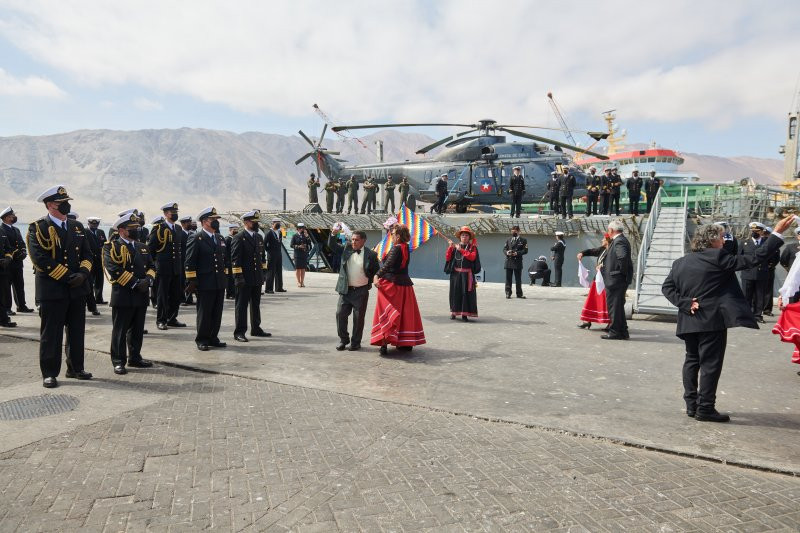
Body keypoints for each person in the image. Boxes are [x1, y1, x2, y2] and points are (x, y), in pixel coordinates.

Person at [662, 217, 791, 422]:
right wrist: (776, 234)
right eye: (722, 238)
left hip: (688, 320)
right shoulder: (718, 257)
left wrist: (685, 303)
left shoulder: (680, 262)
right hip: (711, 321)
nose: (724, 242)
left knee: (691, 361)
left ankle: (691, 405)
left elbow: (667, 288)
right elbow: (754, 258)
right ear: (712, 241)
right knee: (711, 364)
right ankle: (705, 408)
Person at [28, 185, 94, 388]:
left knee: (76, 331)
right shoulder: (37, 228)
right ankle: (49, 372)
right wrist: (68, 276)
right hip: (53, 289)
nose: (66, 206)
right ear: (50, 205)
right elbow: (40, 259)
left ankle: (75, 368)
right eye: (61, 203)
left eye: (67, 202)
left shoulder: (77, 227)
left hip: (77, 288)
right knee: (52, 334)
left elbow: (88, 254)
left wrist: (82, 274)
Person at [103, 212, 156, 375]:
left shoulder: (143, 247)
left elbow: (152, 267)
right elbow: (113, 269)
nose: (136, 230)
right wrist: (135, 283)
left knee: (137, 329)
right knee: (120, 330)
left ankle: (135, 357)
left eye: (137, 227)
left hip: (141, 295)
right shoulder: (111, 247)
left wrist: (148, 281)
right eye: (132, 228)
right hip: (124, 294)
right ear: (121, 230)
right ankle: (118, 361)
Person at [370, 224, 426, 355]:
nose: (391, 236)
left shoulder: (396, 248)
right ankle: (404, 342)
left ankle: (383, 343)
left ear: (398, 236)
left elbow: (388, 265)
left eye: (393, 234)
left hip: (391, 285)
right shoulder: (405, 247)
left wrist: (376, 275)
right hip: (405, 285)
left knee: (386, 312)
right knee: (404, 313)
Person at [185, 207, 227, 351]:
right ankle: (202, 339)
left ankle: (213, 337)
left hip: (219, 282)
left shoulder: (219, 237)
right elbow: (190, 261)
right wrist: (192, 281)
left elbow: (224, 260)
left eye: (216, 219)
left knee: (217, 312)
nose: (216, 222)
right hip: (204, 282)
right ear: (204, 221)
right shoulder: (196, 238)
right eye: (213, 219)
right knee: (205, 312)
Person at [330, 228, 379, 351]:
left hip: (361, 291)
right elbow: (332, 246)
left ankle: (355, 343)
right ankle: (343, 340)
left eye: (356, 240)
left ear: (364, 241)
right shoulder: (346, 249)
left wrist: (377, 279)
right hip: (346, 290)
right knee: (340, 314)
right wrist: (333, 234)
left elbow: (377, 271)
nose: (353, 242)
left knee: (358, 319)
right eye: (352, 239)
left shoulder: (371, 255)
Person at [230, 210, 271, 342]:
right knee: (241, 305)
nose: (256, 224)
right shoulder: (239, 237)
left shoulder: (258, 237)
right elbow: (235, 259)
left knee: (256, 304)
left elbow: (262, 257)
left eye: (257, 221)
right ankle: (239, 332)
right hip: (244, 278)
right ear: (246, 222)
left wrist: (263, 273)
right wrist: (238, 277)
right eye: (254, 222)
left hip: (256, 277)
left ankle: (256, 328)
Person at [149, 202, 187, 329]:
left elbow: (181, 248)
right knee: (162, 296)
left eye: (176, 212)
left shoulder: (178, 229)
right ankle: (161, 320)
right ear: (166, 214)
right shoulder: (159, 228)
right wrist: (154, 265)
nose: (175, 214)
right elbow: (151, 249)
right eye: (172, 212)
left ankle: (172, 318)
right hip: (163, 268)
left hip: (176, 267)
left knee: (176, 295)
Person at [602, 219, 633, 340]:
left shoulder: (619, 241)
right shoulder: (621, 240)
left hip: (616, 280)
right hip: (617, 279)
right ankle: (623, 332)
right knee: (618, 307)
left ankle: (615, 332)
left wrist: (619, 273)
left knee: (614, 307)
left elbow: (623, 257)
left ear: (611, 230)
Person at [1, 207, 33, 313]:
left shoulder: (16, 229)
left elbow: (21, 242)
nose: (14, 218)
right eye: (12, 216)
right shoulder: (1, 230)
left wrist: (23, 251)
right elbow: (5, 245)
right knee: (6, 287)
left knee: (19, 285)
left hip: (18, 263)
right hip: (8, 263)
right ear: (6, 218)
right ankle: (7, 308)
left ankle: (21, 305)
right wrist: (15, 253)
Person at [446, 226, 480, 321]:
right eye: (462, 235)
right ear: (460, 237)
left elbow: (472, 257)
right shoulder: (455, 247)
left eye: (466, 235)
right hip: (456, 274)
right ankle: (454, 312)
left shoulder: (472, 248)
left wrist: (460, 249)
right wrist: (450, 247)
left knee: (465, 294)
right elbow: (448, 258)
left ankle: (464, 314)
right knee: (454, 293)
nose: (464, 237)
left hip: (466, 275)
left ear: (469, 237)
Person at [576, 234, 611, 329]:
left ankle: (610, 322)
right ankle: (587, 320)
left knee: (606, 302)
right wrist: (582, 253)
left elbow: (612, 264)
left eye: (604, 239)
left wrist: (602, 266)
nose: (602, 240)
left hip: (606, 280)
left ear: (608, 240)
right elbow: (592, 251)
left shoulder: (612, 251)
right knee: (592, 300)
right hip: (598, 279)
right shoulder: (602, 249)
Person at [739, 222, 770, 323]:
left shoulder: (766, 242)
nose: (754, 233)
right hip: (747, 273)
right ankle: (747, 315)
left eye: (757, 231)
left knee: (760, 295)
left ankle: (757, 315)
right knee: (746, 295)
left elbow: (773, 256)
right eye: (753, 231)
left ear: (761, 232)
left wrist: (767, 266)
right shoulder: (744, 242)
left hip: (762, 273)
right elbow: (739, 257)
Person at [86, 216, 107, 305]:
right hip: (89, 259)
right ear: (89, 223)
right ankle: (89, 300)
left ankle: (99, 298)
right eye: (92, 224)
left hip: (99, 259)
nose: (94, 225)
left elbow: (105, 244)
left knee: (99, 279)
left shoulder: (100, 232)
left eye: (96, 224)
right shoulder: (85, 231)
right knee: (89, 280)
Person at [503, 225, 527, 299]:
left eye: (515, 231)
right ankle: (508, 293)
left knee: (518, 279)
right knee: (508, 279)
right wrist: (507, 252)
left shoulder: (523, 240)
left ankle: (519, 294)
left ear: (519, 231)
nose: (513, 233)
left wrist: (517, 253)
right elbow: (504, 249)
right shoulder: (508, 239)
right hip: (509, 261)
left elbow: (525, 250)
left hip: (517, 262)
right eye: (512, 231)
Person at [761, 225, 781, 317]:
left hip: (769, 269)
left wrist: (771, 265)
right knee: (759, 290)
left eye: (766, 234)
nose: (765, 236)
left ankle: (766, 309)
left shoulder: (774, 245)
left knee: (768, 290)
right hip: (761, 269)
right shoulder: (759, 243)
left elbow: (777, 257)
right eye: (764, 234)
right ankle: (761, 309)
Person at [264, 218, 286, 293]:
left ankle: (279, 287)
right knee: (271, 271)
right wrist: (269, 251)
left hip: (279, 253)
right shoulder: (269, 233)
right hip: (271, 254)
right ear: (272, 224)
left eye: (279, 223)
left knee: (279, 271)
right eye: (277, 223)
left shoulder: (279, 232)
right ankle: (268, 288)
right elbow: (264, 244)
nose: (278, 225)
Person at [0, 229, 16, 326]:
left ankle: (3, 320)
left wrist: (8, 258)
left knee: (2, 296)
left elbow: (8, 248)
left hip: (2, 270)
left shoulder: (1, 231)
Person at [179, 215, 194, 306]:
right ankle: (181, 299)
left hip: (190, 261)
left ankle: (189, 298)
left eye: (190, 222)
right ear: (183, 224)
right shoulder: (180, 234)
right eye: (188, 223)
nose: (190, 224)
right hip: (182, 261)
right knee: (181, 281)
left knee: (190, 280)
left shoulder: (192, 234)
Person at [291, 223, 312, 287]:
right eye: (301, 228)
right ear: (298, 229)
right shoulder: (294, 236)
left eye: (303, 228)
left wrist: (307, 236)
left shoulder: (305, 236)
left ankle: (302, 282)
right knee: (298, 268)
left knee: (303, 268)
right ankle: (298, 282)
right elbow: (291, 245)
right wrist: (298, 246)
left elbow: (309, 243)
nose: (302, 230)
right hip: (297, 254)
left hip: (304, 254)